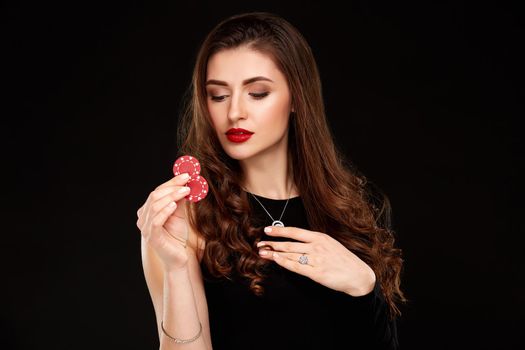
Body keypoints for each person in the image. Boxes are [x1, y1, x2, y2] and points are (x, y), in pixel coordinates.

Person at [136, 12, 405, 350]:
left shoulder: (356, 208)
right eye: (218, 95)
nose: (235, 112)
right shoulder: (185, 217)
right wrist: (175, 268)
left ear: (296, 97)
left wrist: (365, 286)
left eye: (258, 93)